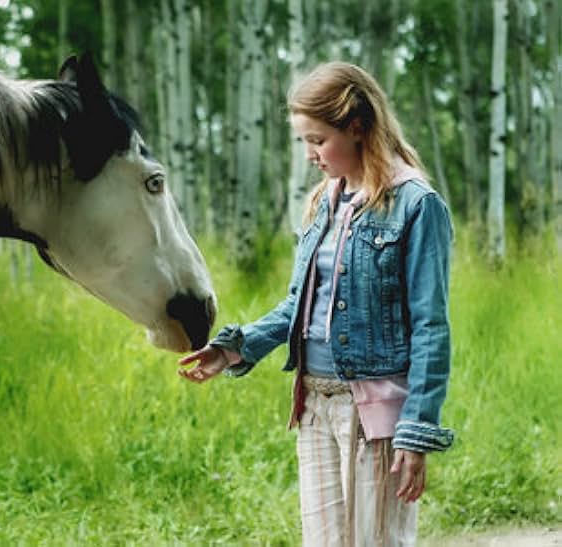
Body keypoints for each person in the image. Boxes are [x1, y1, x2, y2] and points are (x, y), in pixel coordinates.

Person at [178, 61, 454, 547]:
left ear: (357, 127)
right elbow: (297, 307)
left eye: (318, 140)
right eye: (304, 141)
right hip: (314, 405)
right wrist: (232, 349)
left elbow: (431, 326)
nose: (310, 154)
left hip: (374, 415)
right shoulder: (324, 202)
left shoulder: (415, 204)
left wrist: (416, 431)